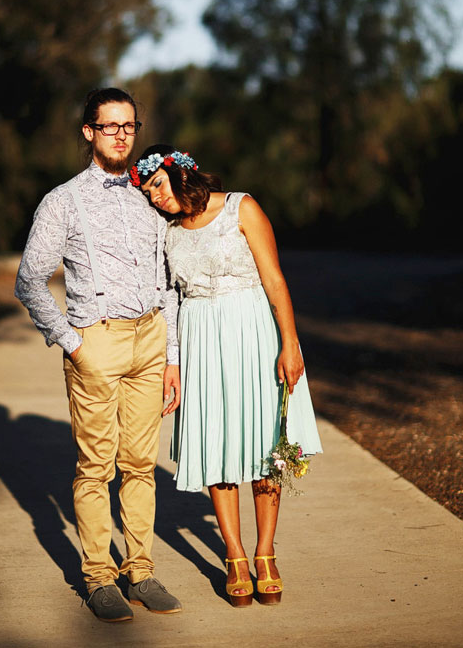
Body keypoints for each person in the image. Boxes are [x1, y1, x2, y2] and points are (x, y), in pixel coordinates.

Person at [15, 90, 182, 623]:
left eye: (129, 126)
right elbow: (29, 281)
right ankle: (97, 577)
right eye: (109, 127)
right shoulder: (62, 201)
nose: (121, 135)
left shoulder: (150, 195)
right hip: (97, 343)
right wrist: (72, 341)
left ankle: (141, 569)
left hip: (150, 341)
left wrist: (172, 355)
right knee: (96, 467)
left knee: (141, 466)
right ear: (88, 132)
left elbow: (167, 281)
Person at [129, 144, 322, 607]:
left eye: (157, 184)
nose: (154, 197)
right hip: (200, 341)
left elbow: (275, 281)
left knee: (265, 445)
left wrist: (290, 344)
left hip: (254, 334)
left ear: (179, 173)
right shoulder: (167, 232)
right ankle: (234, 554)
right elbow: (171, 300)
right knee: (216, 444)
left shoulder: (242, 206)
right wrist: (173, 362)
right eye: (147, 192)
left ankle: (265, 553)